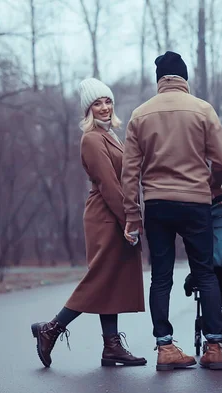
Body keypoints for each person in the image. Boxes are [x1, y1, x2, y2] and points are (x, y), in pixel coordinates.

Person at [121, 51, 222, 371]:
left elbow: (129, 172)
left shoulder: (140, 114)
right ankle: (213, 346)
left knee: (161, 277)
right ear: (184, 79)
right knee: (205, 272)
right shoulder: (202, 109)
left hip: (157, 205)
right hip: (196, 202)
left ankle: (165, 347)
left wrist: (132, 214)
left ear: (159, 81)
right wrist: (213, 184)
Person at [31, 78, 146, 368]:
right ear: (88, 110)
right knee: (100, 278)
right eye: (98, 103)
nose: (105, 107)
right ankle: (51, 329)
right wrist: (130, 221)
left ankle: (111, 347)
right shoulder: (92, 138)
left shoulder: (111, 135)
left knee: (110, 280)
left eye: (108, 101)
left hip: (112, 213)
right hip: (105, 216)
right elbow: (109, 185)